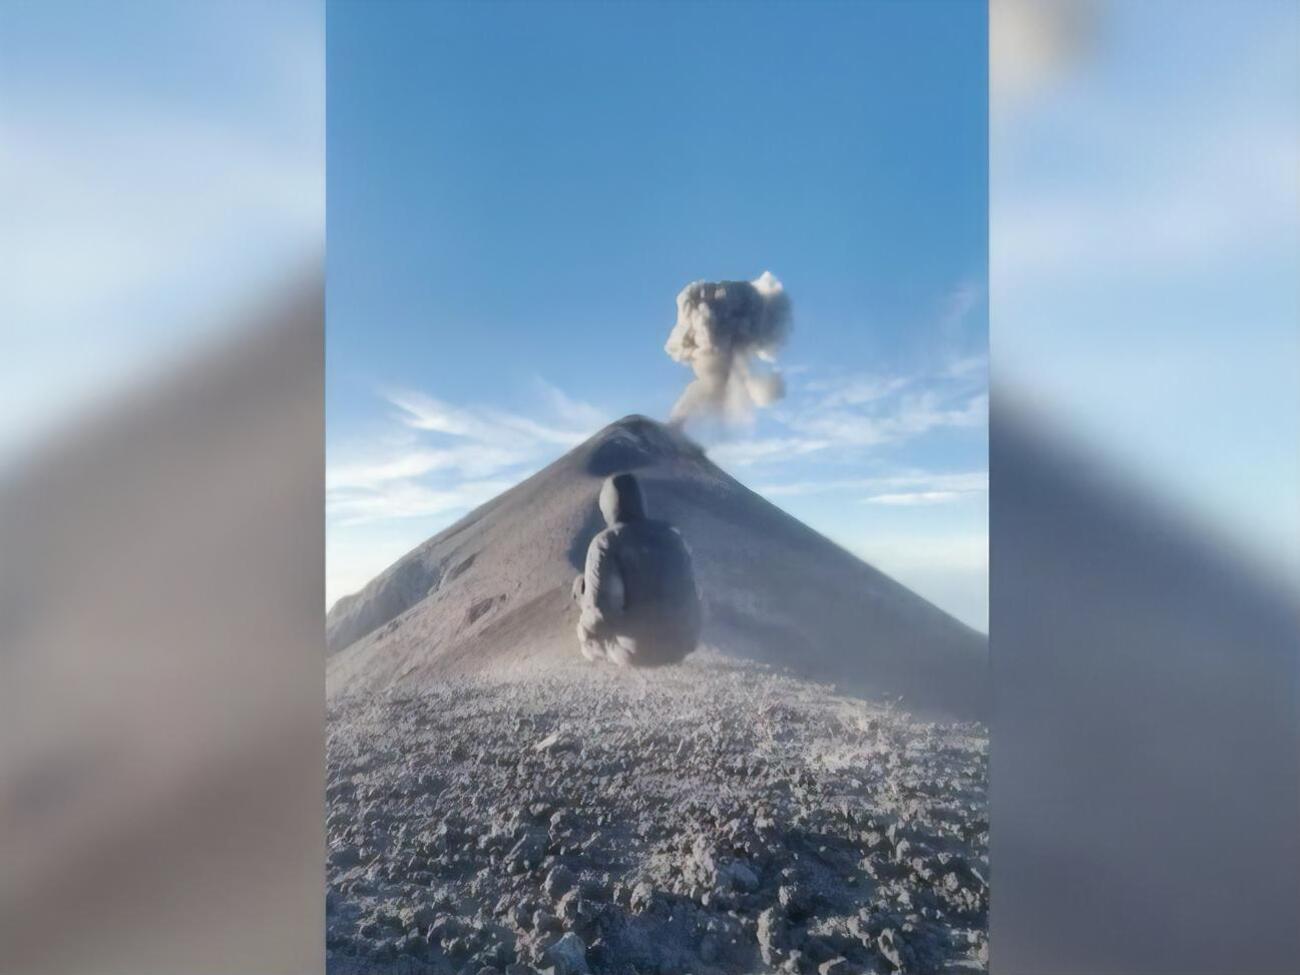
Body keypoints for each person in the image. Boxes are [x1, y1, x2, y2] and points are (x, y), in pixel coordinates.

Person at [572, 472, 701, 667]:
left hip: (636, 652)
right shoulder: (672, 537)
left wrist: (586, 625)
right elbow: (693, 594)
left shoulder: (605, 542)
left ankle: (596, 651)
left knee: (581, 586)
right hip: (680, 646)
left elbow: (601, 610)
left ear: (607, 505)